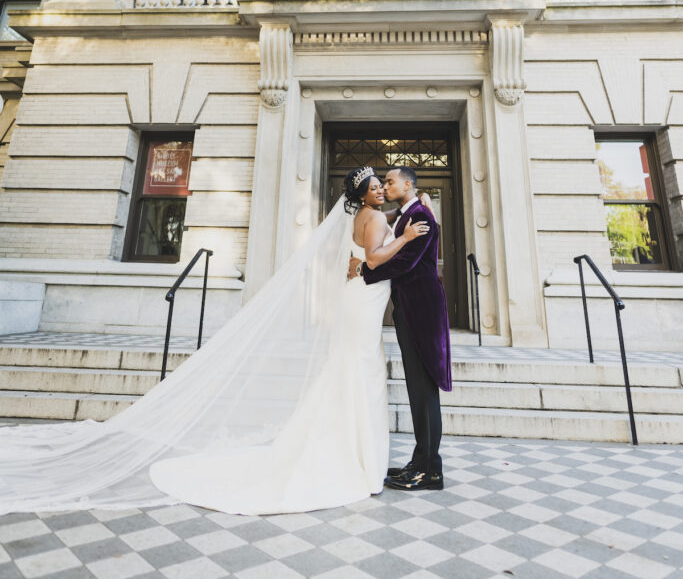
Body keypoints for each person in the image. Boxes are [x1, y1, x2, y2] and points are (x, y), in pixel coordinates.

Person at [0, 166, 426, 516]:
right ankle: (353, 461)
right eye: (375, 186)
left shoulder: (367, 217)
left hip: (362, 302)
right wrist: (405, 239)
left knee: (354, 372)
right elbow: (372, 259)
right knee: (359, 372)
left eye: (382, 185)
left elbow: (362, 257)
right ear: (364, 195)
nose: (380, 190)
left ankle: (352, 453)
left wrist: (390, 237)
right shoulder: (374, 218)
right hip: (363, 305)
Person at [348, 165, 452, 491]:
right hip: (410, 310)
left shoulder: (420, 215)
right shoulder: (406, 214)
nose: (386, 185)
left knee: (423, 391)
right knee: (417, 390)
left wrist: (363, 270)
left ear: (407, 185)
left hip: (422, 312)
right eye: (382, 182)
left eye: (390, 181)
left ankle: (430, 471)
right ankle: (420, 462)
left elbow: (403, 262)